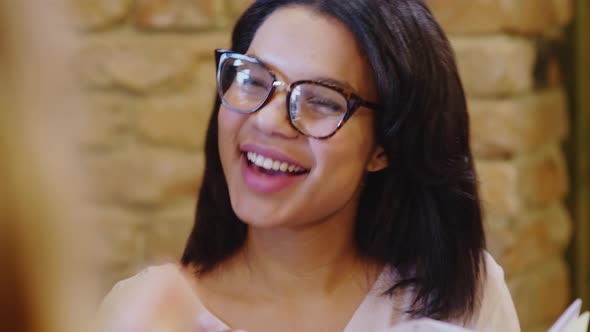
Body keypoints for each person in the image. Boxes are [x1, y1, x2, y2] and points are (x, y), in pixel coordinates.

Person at [98, 0, 521, 331]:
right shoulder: (149, 316)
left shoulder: (465, 299)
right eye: (253, 80)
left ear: (385, 146)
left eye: (321, 100)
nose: (267, 120)